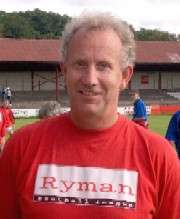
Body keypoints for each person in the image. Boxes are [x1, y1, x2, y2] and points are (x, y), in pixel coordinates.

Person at [0, 12, 179, 219]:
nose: (90, 79)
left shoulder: (160, 157)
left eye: (104, 66)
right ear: (64, 70)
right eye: (80, 64)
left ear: (124, 76)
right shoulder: (21, 148)